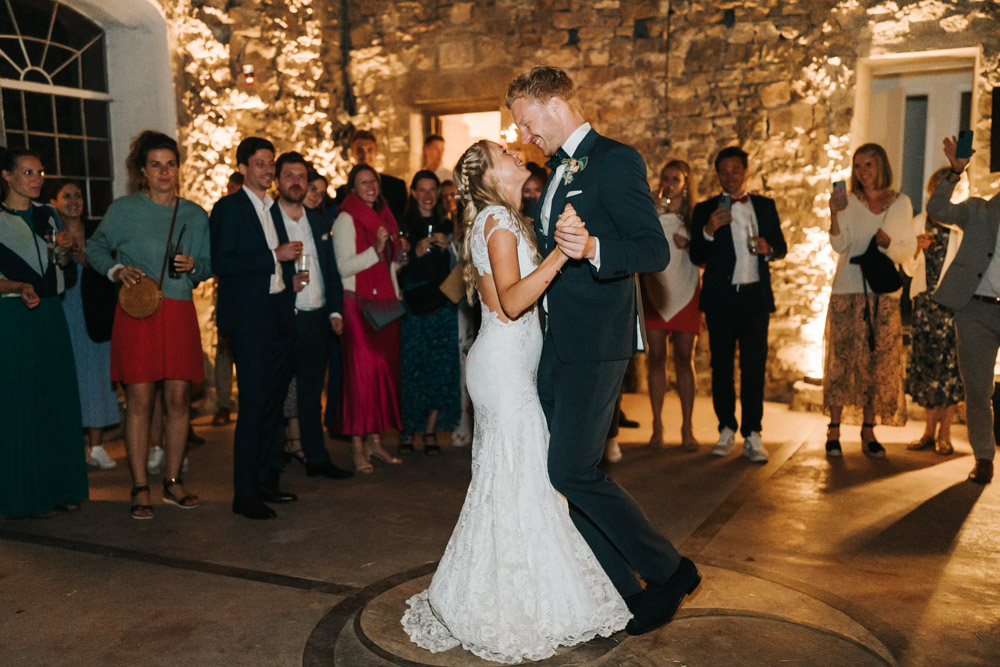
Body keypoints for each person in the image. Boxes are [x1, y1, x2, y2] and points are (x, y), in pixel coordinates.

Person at [401, 139, 631, 662]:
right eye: (504, 151)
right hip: (504, 372)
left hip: (509, 366)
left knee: (516, 480)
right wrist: (558, 256)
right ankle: (508, 602)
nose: (514, 150)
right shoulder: (498, 224)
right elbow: (510, 301)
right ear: (489, 173)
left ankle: (516, 589)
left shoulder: (501, 217)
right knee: (520, 479)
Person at [507, 66, 698, 636]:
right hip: (556, 341)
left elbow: (652, 250)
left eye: (525, 121)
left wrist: (592, 246)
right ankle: (623, 590)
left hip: (598, 341)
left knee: (571, 467)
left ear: (553, 103)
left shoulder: (615, 159)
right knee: (559, 470)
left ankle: (670, 571)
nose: (522, 134)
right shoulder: (558, 169)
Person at [88, 130, 210, 519]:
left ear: (178, 168)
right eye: (155, 165)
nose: (164, 171)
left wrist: (196, 267)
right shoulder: (123, 210)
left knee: (177, 400)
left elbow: (206, 266)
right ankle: (140, 485)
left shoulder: (194, 214)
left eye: (170, 164)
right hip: (137, 313)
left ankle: (172, 481)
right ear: (142, 170)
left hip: (177, 310)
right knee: (139, 401)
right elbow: (93, 247)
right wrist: (116, 269)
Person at [210, 136, 302, 520]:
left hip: (278, 312)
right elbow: (223, 263)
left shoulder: (272, 208)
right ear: (244, 168)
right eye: (260, 164)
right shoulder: (228, 208)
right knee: (252, 404)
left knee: (272, 404)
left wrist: (288, 277)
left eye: (270, 163)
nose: (267, 170)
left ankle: (266, 480)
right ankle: (243, 493)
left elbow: (276, 261)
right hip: (249, 319)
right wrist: (273, 257)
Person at [0, 147, 88, 518]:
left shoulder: (49, 214)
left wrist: (66, 250)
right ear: (7, 175)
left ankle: (61, 487)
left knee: (57, 398)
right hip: (14, 317)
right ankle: (21, 496)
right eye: (28, 172)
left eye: (40, 172)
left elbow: (60, 270)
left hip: (51, 312)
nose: (37, 179)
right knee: (21, 403)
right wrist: (18, 286)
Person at [690, 146, 788, 464]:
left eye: (735, 170)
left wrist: (768, 248)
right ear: (717, 175)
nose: (729, 177)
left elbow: (781, 247)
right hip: (721, 299)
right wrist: (707, 231)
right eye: (723, 171)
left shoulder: (764, 205)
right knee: (721, 367)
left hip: (755, 297)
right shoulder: (705, 209)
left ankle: (753, 433)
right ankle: (725, 428)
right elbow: (696, 256)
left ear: (746, 171)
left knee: (754, 367)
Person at [822, 143, 914, 458]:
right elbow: (839, 244)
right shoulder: (847, 202)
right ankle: (833, 429)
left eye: (869, 165)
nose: (863, 172)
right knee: (842, 360)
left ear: (881, 166)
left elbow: (907, 250)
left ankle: (868, 428)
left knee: (877, 362)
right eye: (858, 166)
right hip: (848, 289)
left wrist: (889, 244)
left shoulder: (901, 203)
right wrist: (834, 212)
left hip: (884, 294)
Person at [270, 152, 352, 480]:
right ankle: (271, 465)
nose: (296, 182)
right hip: (282, 319)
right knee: (274, 395)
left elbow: (330, 271)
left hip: (316, 319)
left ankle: (317, 458)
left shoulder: (318, 221)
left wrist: (334, 309)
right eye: (289, 175)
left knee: (310, 394)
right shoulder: (269, 220)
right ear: (278, 180)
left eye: (301, 176)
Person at [928, 135, 1000, 484]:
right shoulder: (978, 210)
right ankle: (984, 456)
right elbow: (937, 211)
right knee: (977, 389)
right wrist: (955, 173)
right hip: (976, 311)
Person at [332, 163, 407, 472]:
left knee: (381, 375)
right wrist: (376, 250)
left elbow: (387, 267)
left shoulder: (386, 217)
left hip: (386, 305)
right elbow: (344, 267)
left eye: (373, 181)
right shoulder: (346, 219)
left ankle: (376, 443)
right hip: (358, 305)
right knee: (360, 379)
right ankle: (358, 449)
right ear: (353, 188)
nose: (370, 186)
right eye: (363, 182)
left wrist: (397, 257)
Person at [48, 179, 120, 469]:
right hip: (64, 309)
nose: (74, 200)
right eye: (67, 196)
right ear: (55, 202)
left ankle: (97, 446)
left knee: (98, 378)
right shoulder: (50, 231)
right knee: (70, 377)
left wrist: (87, 260)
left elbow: (111, 268)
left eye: (78, 195)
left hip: (95, 313)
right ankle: (70, 446)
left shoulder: (95, 231)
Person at [396, 170, 461, 455]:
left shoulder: (447, 223)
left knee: (439, 369)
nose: (428, 195)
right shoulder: (403, 224)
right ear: (413, 192)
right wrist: (414, 254)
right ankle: (407, 429)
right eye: (422, 189)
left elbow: (461, 268)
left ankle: (431, 430)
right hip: (412, 306)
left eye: (432, 189)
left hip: (442, 305)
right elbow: (395, 269)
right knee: (412, 369)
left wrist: (450, 249)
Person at [904, 167, 964, 456]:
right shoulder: (920, 221)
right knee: (927, 364)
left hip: (952, 305)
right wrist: (916, 249)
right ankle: (928, 431)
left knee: (950, 369)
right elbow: (906, 265)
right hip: (925, 304)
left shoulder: (961, 226)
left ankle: (945, 433)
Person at [642, 160, 701, 450]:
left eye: (675, 178)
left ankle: (687, 427)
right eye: (665, 178)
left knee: (683, 359)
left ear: (686, 182)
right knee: (655, 358)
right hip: (656, 286)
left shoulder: (695, 214)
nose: (669, 183)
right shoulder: (651, 206)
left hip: (686, 287)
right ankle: (656, 425)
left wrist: (688, 244)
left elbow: (705, 250)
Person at [211, 171, 243, 427]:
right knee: (224, 350)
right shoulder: (221, 212)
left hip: (249, 292)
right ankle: (223, 403)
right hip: (226, 290)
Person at [333, 129, 407, 222]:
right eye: (360, 151)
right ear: (353, 154)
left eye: (370, 150)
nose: (365, 155)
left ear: (376, 153)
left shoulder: (397, 187)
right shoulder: (342, 194)